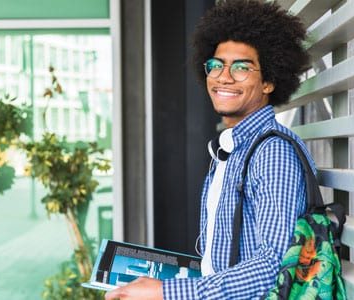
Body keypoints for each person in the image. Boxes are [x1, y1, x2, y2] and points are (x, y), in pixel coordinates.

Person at [105, 1, 311, 299]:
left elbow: (273, 268)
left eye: (241, 67)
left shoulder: (272, 152)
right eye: (216, 65)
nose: (223, 77)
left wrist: (166, 292)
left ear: (268, 81)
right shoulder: (233, 149)